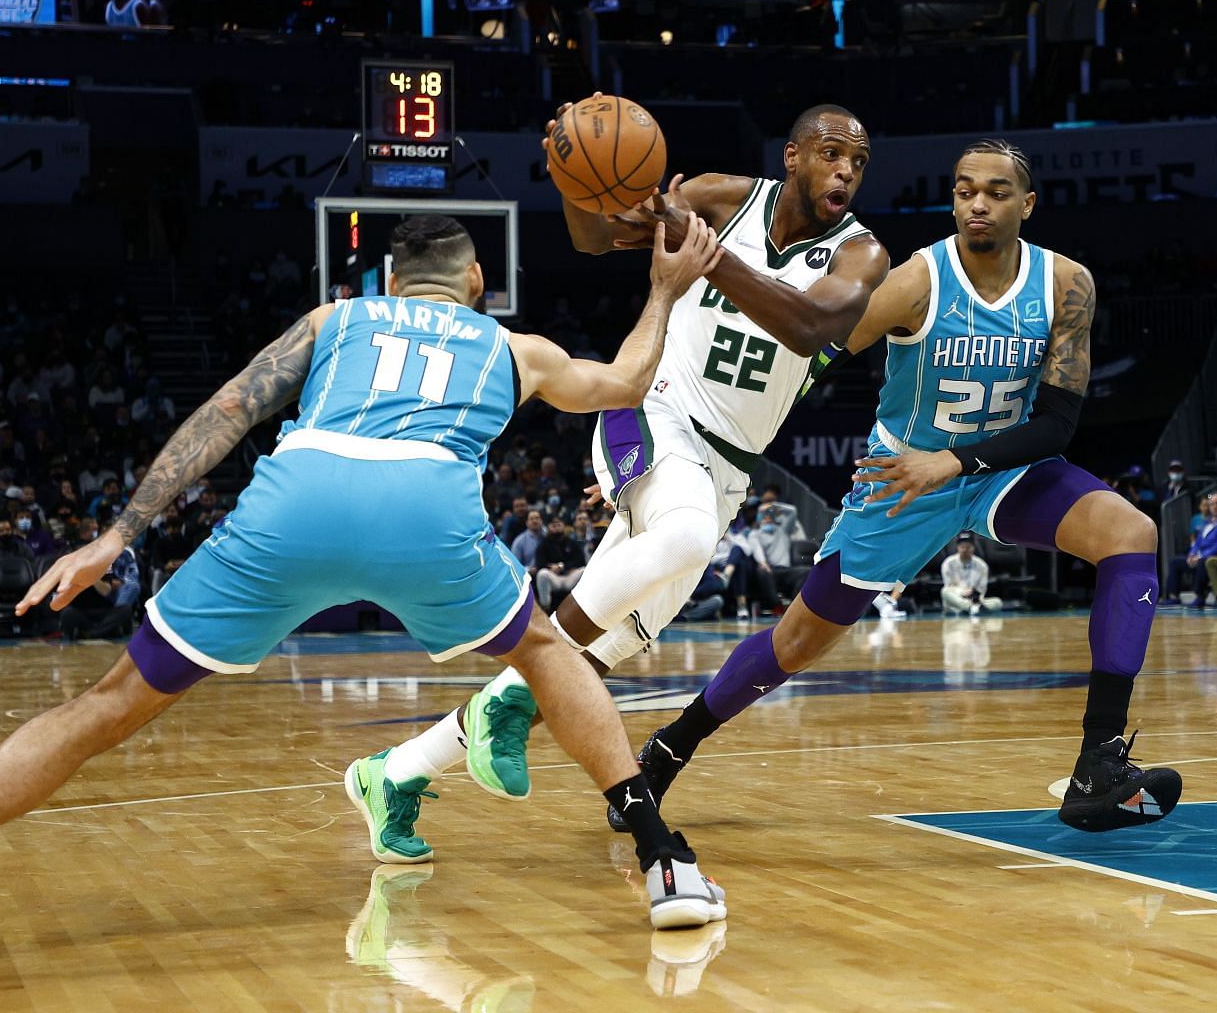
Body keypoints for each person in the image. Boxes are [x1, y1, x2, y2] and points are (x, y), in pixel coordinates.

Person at [0, 214, 730, 975]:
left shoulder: (333, 320)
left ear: (388, 285)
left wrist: (118, 535)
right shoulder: (510, 345)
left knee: (105, 706)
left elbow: (228, 409)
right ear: (475, 282)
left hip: (298, 500)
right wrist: (661, 288)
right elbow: (627, 381)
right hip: (424, 512)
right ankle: (662, 856)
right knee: (546, 653)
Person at [352, 102, 888, 851]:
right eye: (832, 154)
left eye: (858, 163)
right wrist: (574, 178)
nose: (845, 172)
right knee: (688, 536)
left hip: (726, 465)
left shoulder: (861, 256)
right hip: (651, 407)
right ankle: (501, 702)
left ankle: (399, 771)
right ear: (793, 156)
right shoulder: (717, 197)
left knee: (593, 656)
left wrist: (705, 254)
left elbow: (809, 326)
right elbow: (598, 236)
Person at [628, 139, 1178, 835]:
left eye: (997, 192)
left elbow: (1058, 425)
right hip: (902, 481)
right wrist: (670, 440)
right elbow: (810, 345)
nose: (977, 202)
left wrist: (955, 462)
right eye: (964, 189)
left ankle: (1098, 765)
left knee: (1131, 533)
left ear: (1028, 204)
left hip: (996, 468)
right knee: (797, 642)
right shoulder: (917, 281)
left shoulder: (1067, 283)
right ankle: (674, 743)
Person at [532, 514, 587, 610]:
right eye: (553, 525)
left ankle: (583, 607)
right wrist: (551, 568)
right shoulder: (543, 544)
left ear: (563, 526)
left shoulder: (571, 542)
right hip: (554, 579)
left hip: (569, 577)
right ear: (548, 527)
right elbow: (539, 563)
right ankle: (545, 607)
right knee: (542, 574)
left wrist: (563, 566)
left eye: (559, 525)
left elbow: (580, 561)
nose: (556, 528)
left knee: (584, 571)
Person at [940, 533, 998, 616]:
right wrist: (962, 592)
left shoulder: (982, 565)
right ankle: (969, 608)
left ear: (973, 548)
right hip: (956, 601)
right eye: (962, 547)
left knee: (997, 602)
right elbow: (949, 586)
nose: (964, 550)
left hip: (974, 600)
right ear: (957, 547)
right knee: (944, 591)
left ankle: (973, 608)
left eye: (967, 547)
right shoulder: (948, 563)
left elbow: (982, 589)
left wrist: (973, 595)